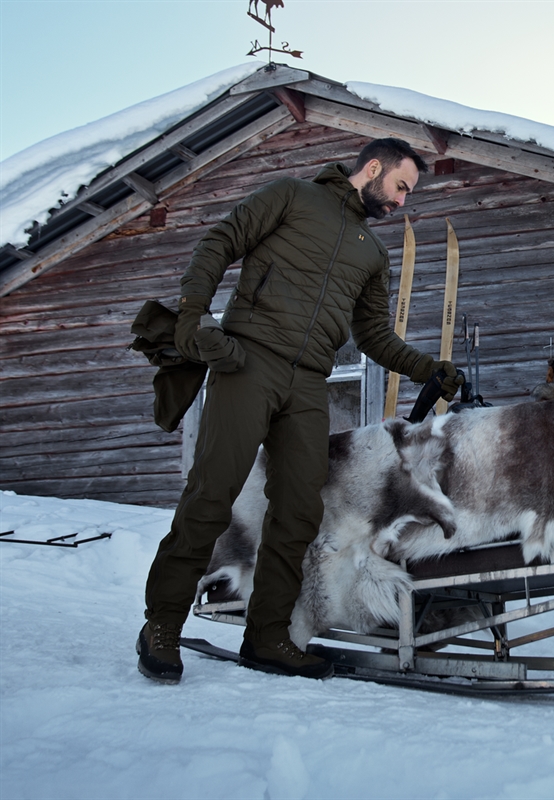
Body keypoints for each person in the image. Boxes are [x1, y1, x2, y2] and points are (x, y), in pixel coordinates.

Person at [137, 138, 463, 683]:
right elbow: (220, 242)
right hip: (248, 362)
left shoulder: (371, 252)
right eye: (402, 186)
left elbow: (374, 335)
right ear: (374, 167)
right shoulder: (291, 197)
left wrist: (426, 367)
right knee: (212, 494)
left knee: (297, 513)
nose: (403, 201)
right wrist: (196, 314)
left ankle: (267, 635)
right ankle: (162, 624)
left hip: (310, 382)